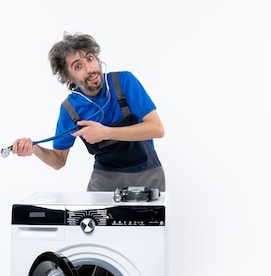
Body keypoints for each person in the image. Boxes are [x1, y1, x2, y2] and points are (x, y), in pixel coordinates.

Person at [11, 32, 166, 192]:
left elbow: (157, 129)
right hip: (104, 180)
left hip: (147, 174)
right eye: (78, 66)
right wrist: (36, 149)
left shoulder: (124, 82)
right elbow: (59, 160)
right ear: (67, 77)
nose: (90, 69)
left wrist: (105, 132)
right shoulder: (70, 109)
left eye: (90, 58)